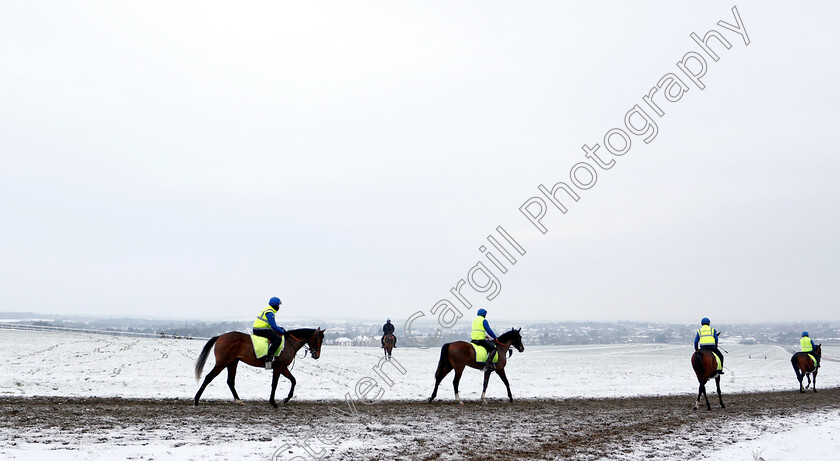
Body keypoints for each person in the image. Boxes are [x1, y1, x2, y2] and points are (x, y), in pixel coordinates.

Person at [253, 297, 286, 369]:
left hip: (261, 328)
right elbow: (273, 326)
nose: (279, 307)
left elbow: (272, 325)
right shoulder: (270, 312)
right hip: (261, 329)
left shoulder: (268, 310)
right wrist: (283, 332)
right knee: (277, 339)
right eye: (278, 305)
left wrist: (280, 328)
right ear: (275, 305)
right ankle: (269, 357)